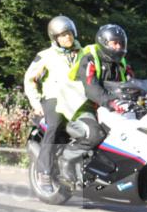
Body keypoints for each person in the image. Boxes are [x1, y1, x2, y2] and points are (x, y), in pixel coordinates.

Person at [59, 24, 135, 170]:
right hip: (82, 105)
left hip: (105, 106)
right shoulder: (89, 58)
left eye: (121, 43)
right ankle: (66, 159)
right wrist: (111, 102)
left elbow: (132, 83)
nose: (118, 47)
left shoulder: (121, 63)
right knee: (96, 134)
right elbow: (91, 88)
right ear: (104, 42)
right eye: (115, 43)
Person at [23, 16, 81, 192]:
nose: (67, 38)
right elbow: (29, 79)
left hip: (78, 101)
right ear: (55, 38)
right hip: (54, 99)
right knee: (54, 126)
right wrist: (35, 102)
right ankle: (44, 172)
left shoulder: (83, 53)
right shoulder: (45, 56)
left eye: (69, 33)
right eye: (62, 35)